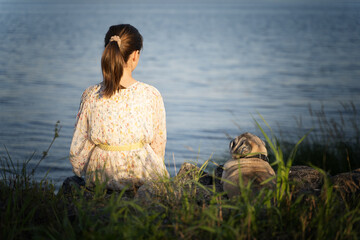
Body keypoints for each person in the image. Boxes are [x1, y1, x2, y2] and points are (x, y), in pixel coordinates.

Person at [69, 24, 169, 191]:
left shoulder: (91, 94)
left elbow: (79, 147)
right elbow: (158, 145)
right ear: (135, 56)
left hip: (101, 174)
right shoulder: (151, 94)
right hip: (141, 171)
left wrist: (81, 170)